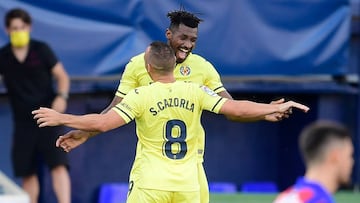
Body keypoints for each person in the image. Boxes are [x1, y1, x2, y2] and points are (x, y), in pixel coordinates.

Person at [33, 42, 309, 203]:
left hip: (150, 183)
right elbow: (236, 107)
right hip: (187, 183)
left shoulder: (141, 95)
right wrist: (270, 108)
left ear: (149, 68)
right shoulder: (197, 91)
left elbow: (103, 123)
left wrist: (62, 117)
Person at [0, 8, 71, 203]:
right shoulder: (4, 56)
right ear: (7, 30)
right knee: (27, 171)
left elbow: (62, 76)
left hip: (49, 118)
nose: (18, 31)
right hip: (22, 122)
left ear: (29, 27)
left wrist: (62, 97)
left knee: (58, 165)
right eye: (14, 28)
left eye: (22, 27)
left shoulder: (41, 50)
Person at [273, 120, 354, 203]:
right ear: (335, 157)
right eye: (349, 156)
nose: (352, 162)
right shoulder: (316, 200)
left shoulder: (286, 197)